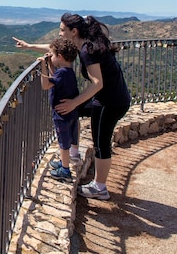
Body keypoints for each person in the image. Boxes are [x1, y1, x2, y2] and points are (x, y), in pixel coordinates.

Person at [13, 13, 131, 200]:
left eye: (62, 30)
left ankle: (100, 187)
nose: (60, 34)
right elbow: (55, 49)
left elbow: (97, 83)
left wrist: (74, 102)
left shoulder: (87, 51)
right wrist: (29, 46)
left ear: (73, 31)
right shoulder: (83, 45)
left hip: (111, 101)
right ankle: (73, 155)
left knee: (101, 143)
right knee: (75, 112)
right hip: (108, 97)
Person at [37, 37, 81, 182]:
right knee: (67, 139)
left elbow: (46, 85)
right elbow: (55, 79)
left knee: (63, 142)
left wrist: (43, 65)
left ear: (60, 57)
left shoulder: (62, 73)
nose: (51, 56)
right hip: (71, 113)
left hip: (61, 114)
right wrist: (50, 63)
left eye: (53, 54)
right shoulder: (67, 71)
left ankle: (65, 170)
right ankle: (63, 163)